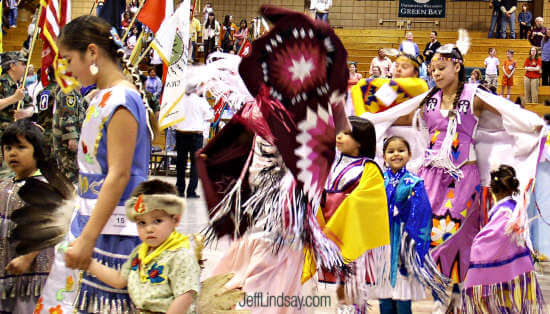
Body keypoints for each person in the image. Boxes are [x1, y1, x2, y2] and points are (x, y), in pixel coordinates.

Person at [363, 44, 545, 313]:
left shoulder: (475, 97)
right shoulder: (430, 99)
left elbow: (507, 115)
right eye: (433, 69)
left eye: (441, 68)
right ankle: (440, 295)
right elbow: (402, 116)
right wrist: (371, 121)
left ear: (457, 67)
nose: (435, 74)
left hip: (462, 178)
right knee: (428, 237)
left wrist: (532, 126)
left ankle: (457, 296)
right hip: (430, 177)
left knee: (458, 237)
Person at [37, 16, 154, 313]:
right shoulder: (101, 97)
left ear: (92, 52)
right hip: (90, 218)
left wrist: (89, 239)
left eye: (68, 59)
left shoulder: (122, 100)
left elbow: (118, 175)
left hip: (113, 229)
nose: (67, 68)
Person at [302, 117, 389, 312]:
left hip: (352, 233)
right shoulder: (330, 162)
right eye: (338, 132)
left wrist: (339, 206)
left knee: (353, 281)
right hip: (327, 229)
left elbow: (368, 201)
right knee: (338, 282)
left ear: (361, 141)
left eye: (346, 134)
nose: (339, 136)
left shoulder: (369, 168)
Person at [87, 179, 201, 313]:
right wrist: (88, 264)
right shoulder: (139, 252)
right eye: (142, 223)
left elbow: (185, 297)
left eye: (157, 221)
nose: (149, 229)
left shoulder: (180, 256)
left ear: (175, 220)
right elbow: (119, 280)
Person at [0, 119, 73, 313]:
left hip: (32, 274)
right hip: (5, 270)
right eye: (7, 148)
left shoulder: (45, 186)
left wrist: (26, 258)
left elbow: (53, 228)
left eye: (21, 147)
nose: (12, 153)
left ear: (37, 152)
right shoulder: (4, 185)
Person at [375, 136, 448, 314]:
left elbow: (423, 214)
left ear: (409, 155)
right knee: (383, 289)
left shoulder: (414, 182)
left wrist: (411, 240)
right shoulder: (377, 180)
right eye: (390, 151)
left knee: (402, 290)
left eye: (401, 150)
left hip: (403, 242)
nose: (396, 154)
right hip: (381, 242)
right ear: (384, 156)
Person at [462, 165, 545, 313]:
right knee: (508, 305)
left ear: (493, 189)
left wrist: (477, 244)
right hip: (513, 270)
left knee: (498, 305)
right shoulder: (513, 207)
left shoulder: (504, 210)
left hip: (502, 270)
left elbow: (494, 236)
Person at [352, 52, 428, 115]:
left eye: (404, 67)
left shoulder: (420, 85)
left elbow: (362, 85)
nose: (398, 69)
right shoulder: (387, 87)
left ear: (415, 73)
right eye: (396, 66)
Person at [173, 92, 213, 198]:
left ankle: (179, 190)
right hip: (196, 134)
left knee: (181, 163)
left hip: (180, 133)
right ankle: (191, 191)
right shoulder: (200, 99)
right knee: (195, 164)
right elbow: (210, 117)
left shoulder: (179, 98)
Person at [52, 86, 86, 183]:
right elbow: (67, 116)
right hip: (66, 147)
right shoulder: (68, 92)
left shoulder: (75, 94)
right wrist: (71, 138)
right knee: (71, 179)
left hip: (72, 145)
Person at [0, 51, 33, 133]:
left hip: (17, 133)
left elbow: (31, 106)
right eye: (22, 64)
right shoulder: (1, 83)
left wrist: (26, 112)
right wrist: (14, 98)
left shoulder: (21, 85)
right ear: (13, 66)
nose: (26, 67)